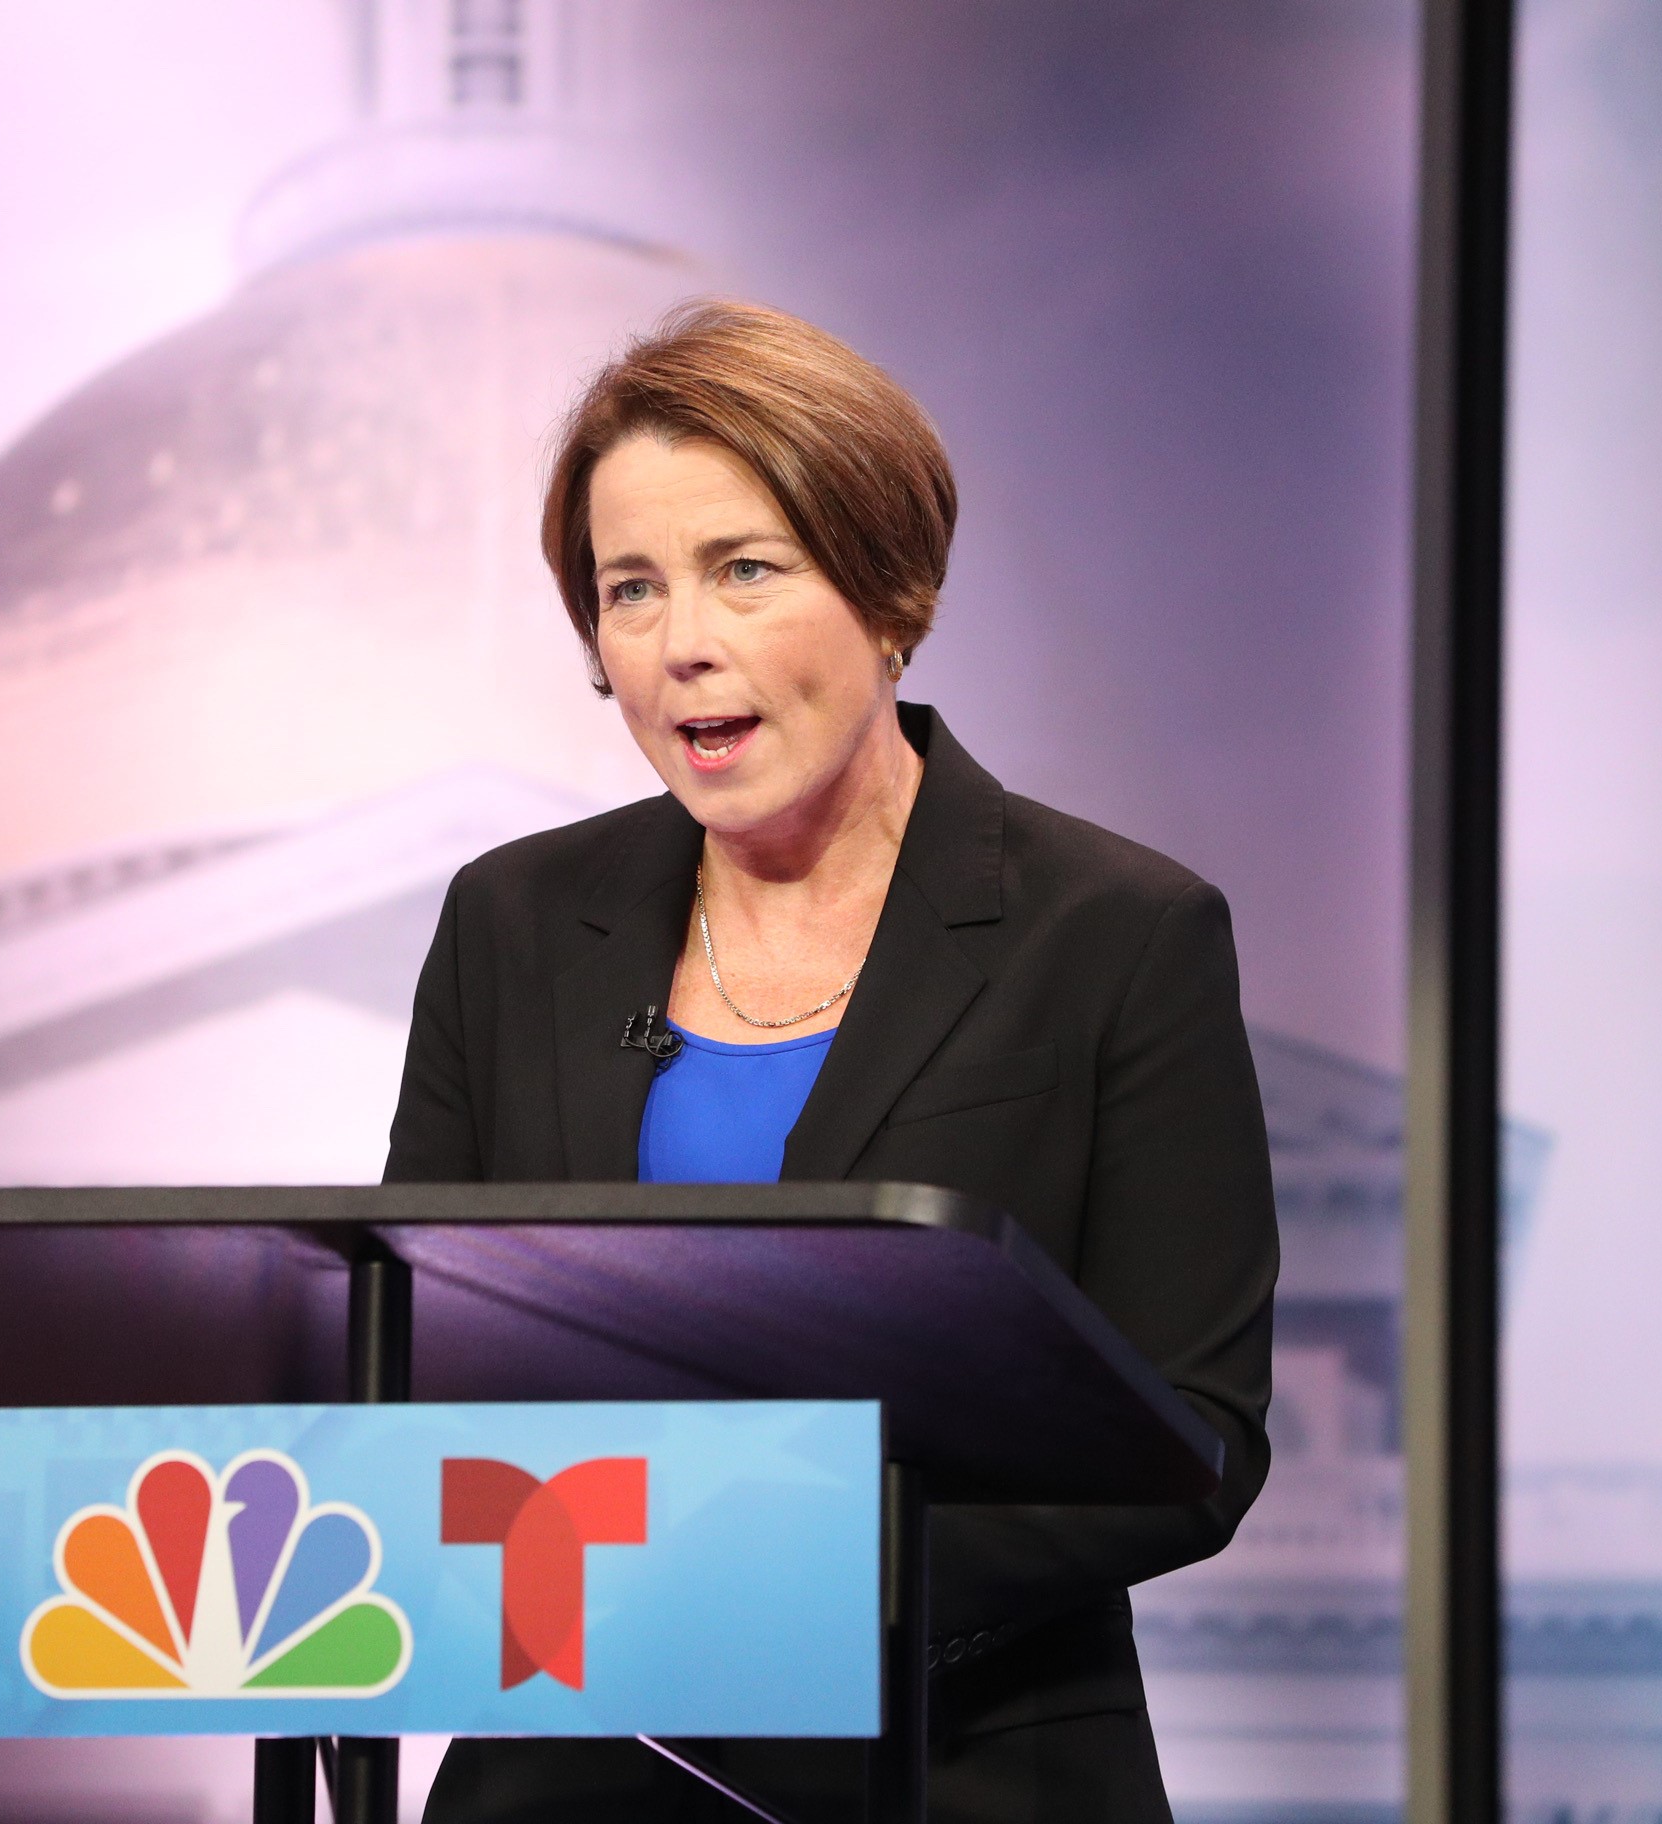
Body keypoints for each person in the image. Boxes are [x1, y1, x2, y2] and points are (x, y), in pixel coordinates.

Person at [387, 299, 1277, 1822]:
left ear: (888, 589)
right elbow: (411, 1345)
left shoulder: (1117, 934)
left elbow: (1190, 1427)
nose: (684, 645)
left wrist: (783, 1578)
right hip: (568, 1778)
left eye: (746, 570)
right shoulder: (516, 923)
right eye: (631, 590)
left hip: (966, 1762)